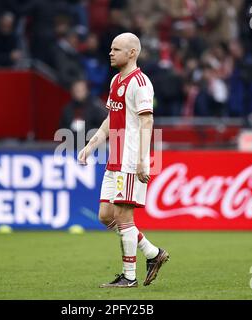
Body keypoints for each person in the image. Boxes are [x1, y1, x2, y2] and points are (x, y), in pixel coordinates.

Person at [77, 32, 169, 288]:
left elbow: (147, 120)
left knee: (123, 217)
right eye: (110, 48)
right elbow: (110, 120)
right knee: (106, 216)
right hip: (115, 156)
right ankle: (152, 253)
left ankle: (129, 277)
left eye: (116, 49)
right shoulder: (116, 80)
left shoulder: (140, 83)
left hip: (130, 157)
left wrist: (142, 160)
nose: (110, 52)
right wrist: (90, 145)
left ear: (132, 53)